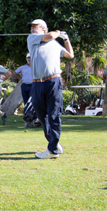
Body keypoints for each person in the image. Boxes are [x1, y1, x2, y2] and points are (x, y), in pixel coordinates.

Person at [27, 19, 74, 159]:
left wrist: (66, 39)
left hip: (53, 81)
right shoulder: (33, 39)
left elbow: (70, 55)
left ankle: (52, 150)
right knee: (42, 116)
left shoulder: (55, 44)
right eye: (32, 27)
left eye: (36, 26)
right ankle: (54, 142)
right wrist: (59, 33)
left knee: (53, 114)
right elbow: (50, 36)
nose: (32, 28)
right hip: (37, 83)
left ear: (43, 28)